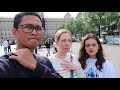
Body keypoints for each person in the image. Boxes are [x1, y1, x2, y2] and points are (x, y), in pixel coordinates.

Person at [0, 12, 61, 78]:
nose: (34, 32)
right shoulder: (5, 65)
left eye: (38, 28)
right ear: (14, 32)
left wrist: (36, 66)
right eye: (28, 27)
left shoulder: (45, 61)